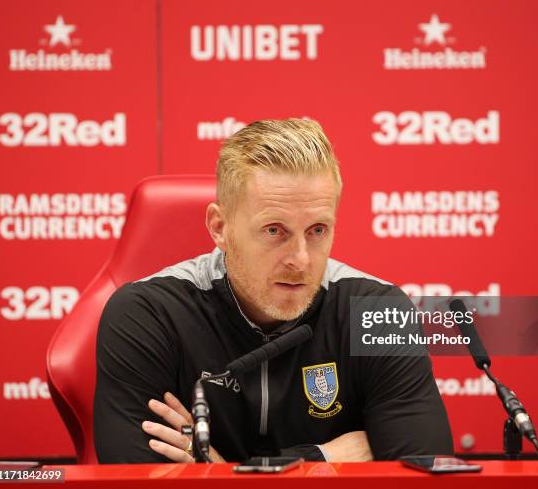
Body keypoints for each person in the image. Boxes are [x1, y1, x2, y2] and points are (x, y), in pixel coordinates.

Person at [93, 118, 453, 463]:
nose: (299, 260)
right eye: (274, 231)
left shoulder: (377, 312)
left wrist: (218, 473)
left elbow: (424, 471)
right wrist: (333, 456)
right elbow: (137, 479)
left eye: (317, 230)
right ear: (220, 227)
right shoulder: (148, 314)